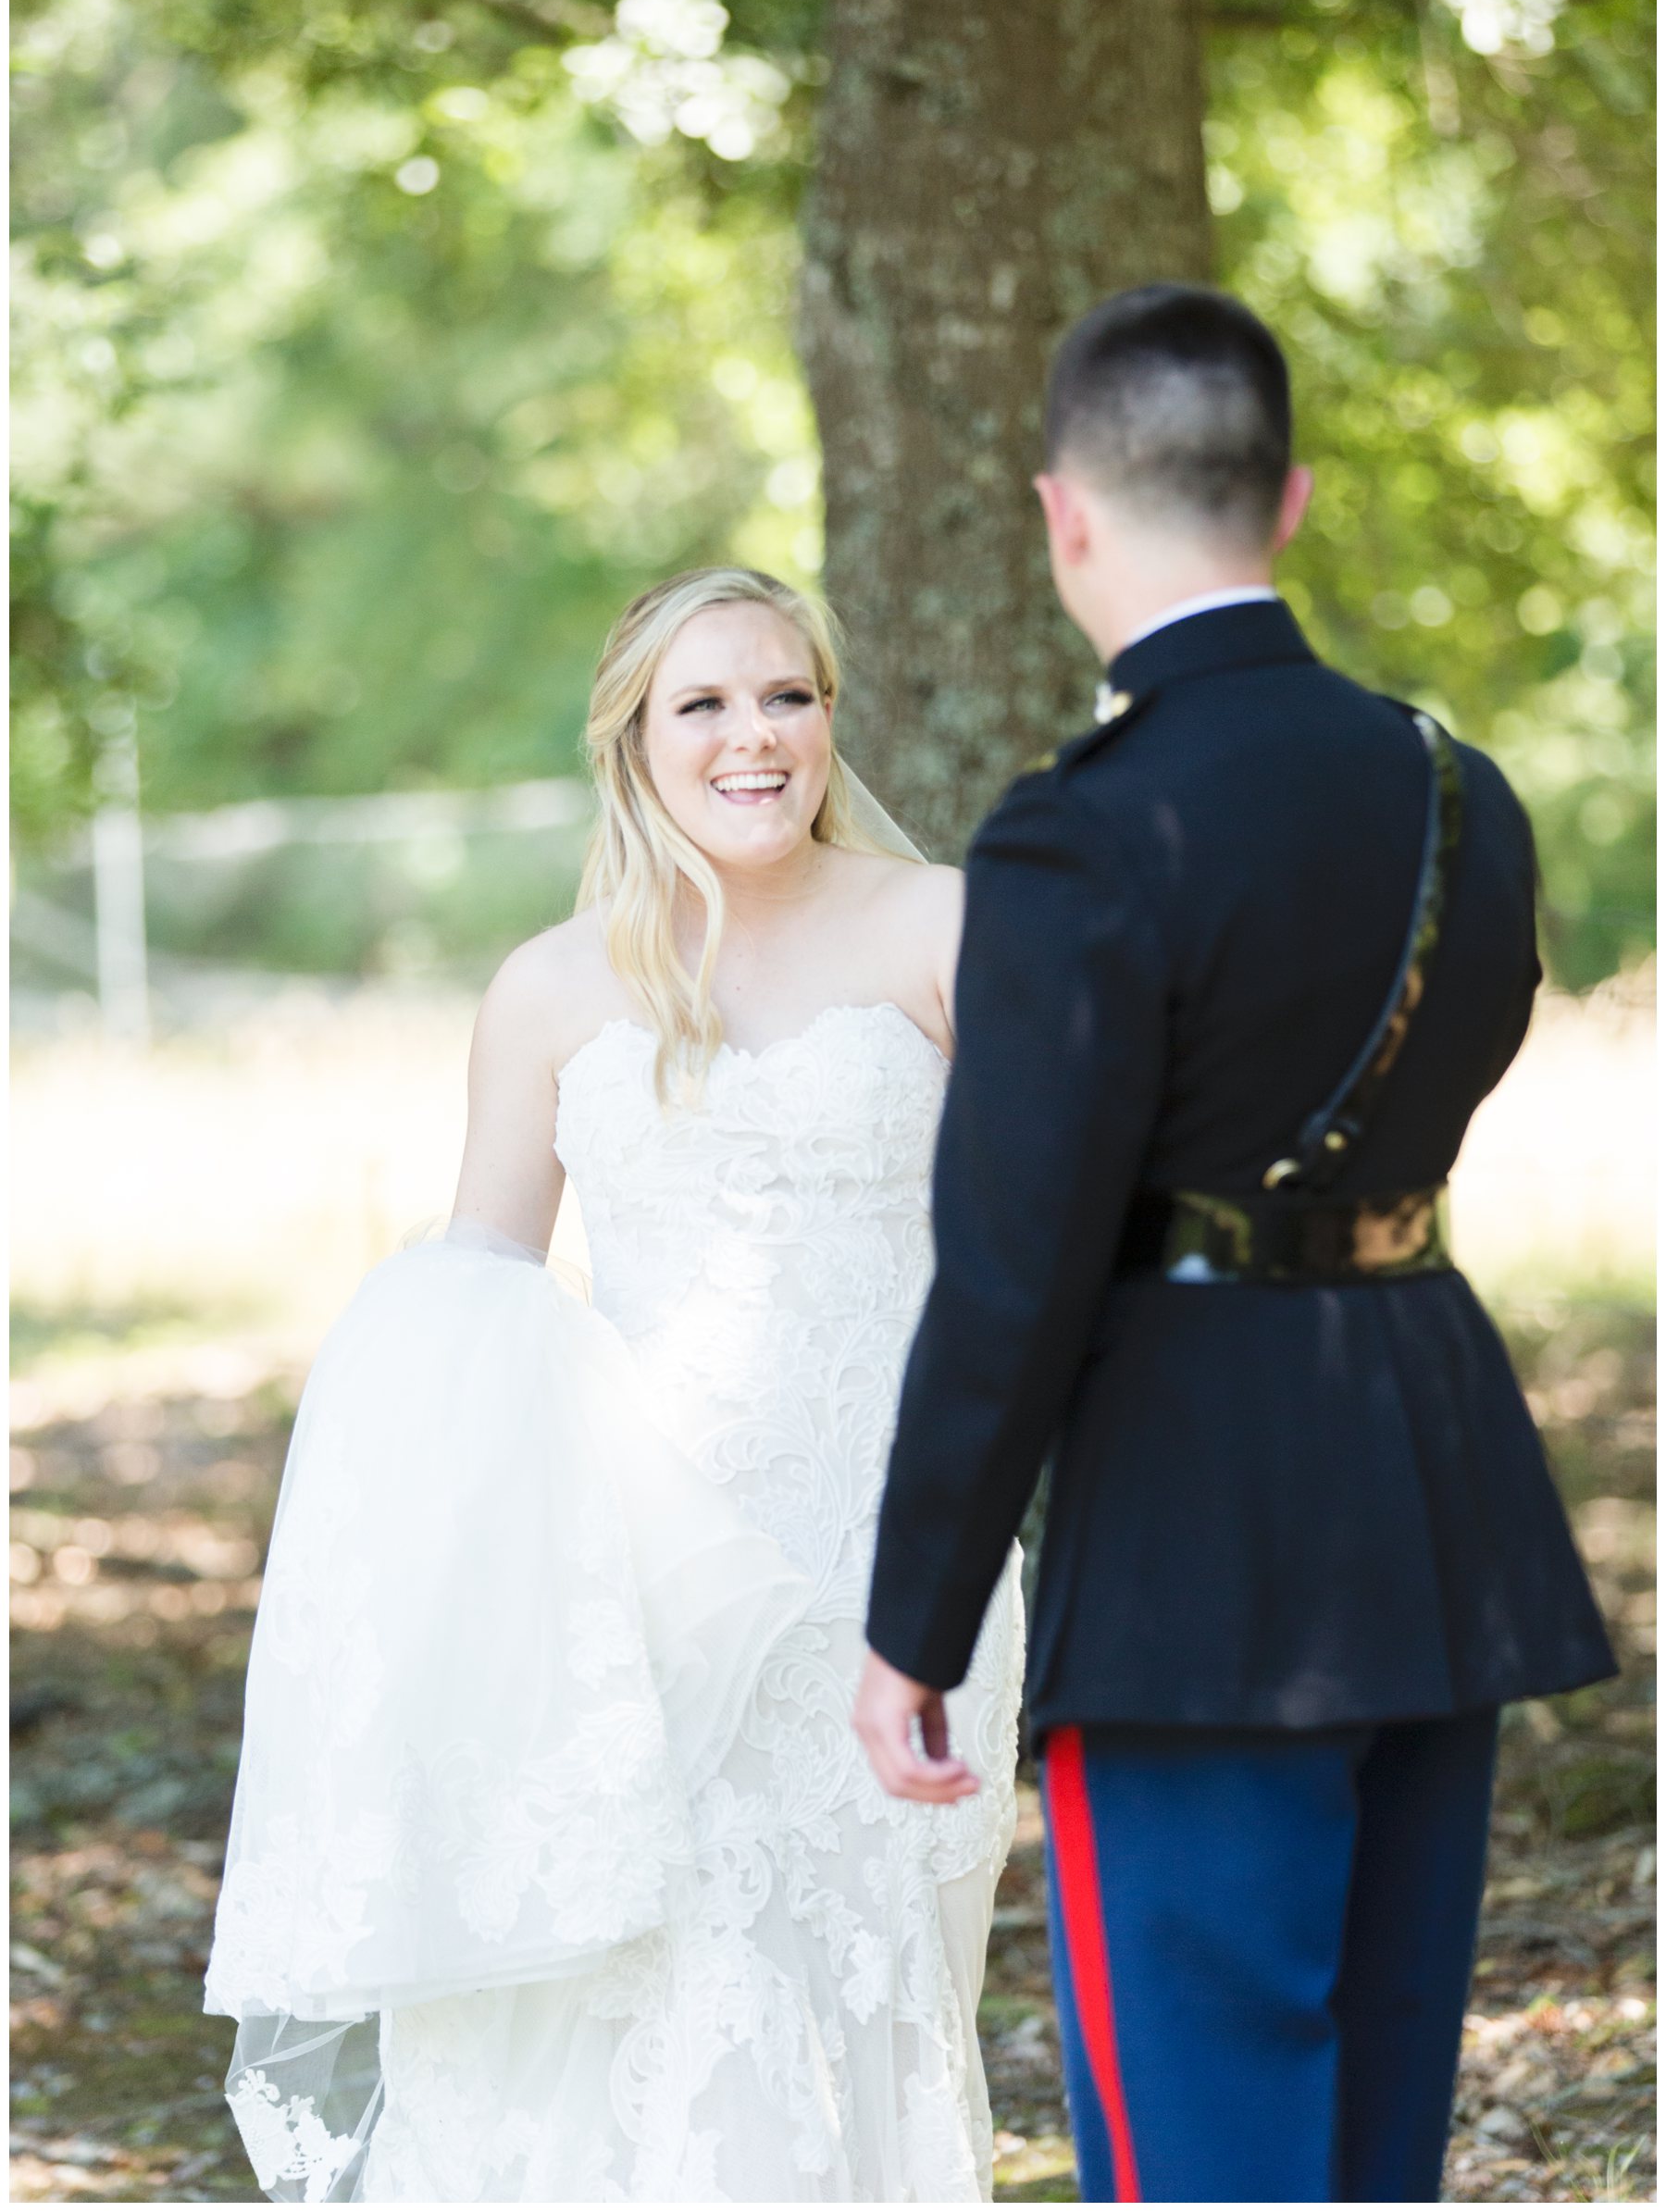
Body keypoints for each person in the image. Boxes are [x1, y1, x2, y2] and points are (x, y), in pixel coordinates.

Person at [856, 284, 1615, 2204]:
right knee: (1375, 2131)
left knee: (1202, 2135)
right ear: (1285, 504)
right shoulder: (1463, 794)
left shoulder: (1078, 839)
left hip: (1198, 1545)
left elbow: (1014, 1264)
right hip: (1434, 1489)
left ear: (1064, 517)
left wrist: (917, 1622)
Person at [205, 565, 1024, 2203]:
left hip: (899, 1554)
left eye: (787, 695)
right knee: (656, 1984)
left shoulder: (944, 926)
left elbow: (1037, 1237)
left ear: (831, 716)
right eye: (702, 704)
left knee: (867, 1981)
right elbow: (478, 1292)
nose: (754, 738)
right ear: (631, 739)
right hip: (642, 1561)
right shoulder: (552, 987)